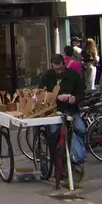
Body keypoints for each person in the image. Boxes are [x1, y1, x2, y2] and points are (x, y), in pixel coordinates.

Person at [39, 53, 87, 182]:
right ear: (52, 66)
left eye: (61, 69)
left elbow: (82, 92)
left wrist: (75, 98)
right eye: (56, 69)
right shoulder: (48, 76)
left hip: (71, 110)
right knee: (53, 134)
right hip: (55, 111)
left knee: (81, 130)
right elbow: (40, 93)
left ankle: (77, 158)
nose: (59, 72)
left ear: (64, 65)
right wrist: (56, 97)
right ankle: (57, 164)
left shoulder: (73, 75)